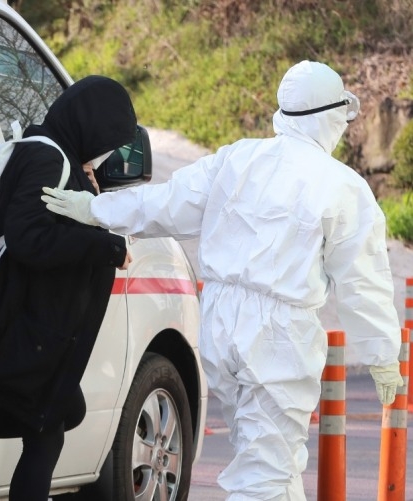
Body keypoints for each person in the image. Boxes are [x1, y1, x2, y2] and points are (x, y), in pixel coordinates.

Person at [42, 60, 404, 500]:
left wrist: (93, 209)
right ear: (330, 116)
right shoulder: (341, 186)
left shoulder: (238, 158)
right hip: (277, 336)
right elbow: (362, 279)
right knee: (265, 470)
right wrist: (383, 354)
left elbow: (164, 204)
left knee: (272, 457)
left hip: (222, 323)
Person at [0, 75, 136, 501]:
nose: (109, 155)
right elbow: (27, 237)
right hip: (18, 323)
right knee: (49, 424)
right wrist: (106, 247)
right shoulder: (46, 159)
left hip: (32, 325)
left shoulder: (59, 159)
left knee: (58, 415)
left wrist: (88, 194)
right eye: (110, 142)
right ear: (91, 126)